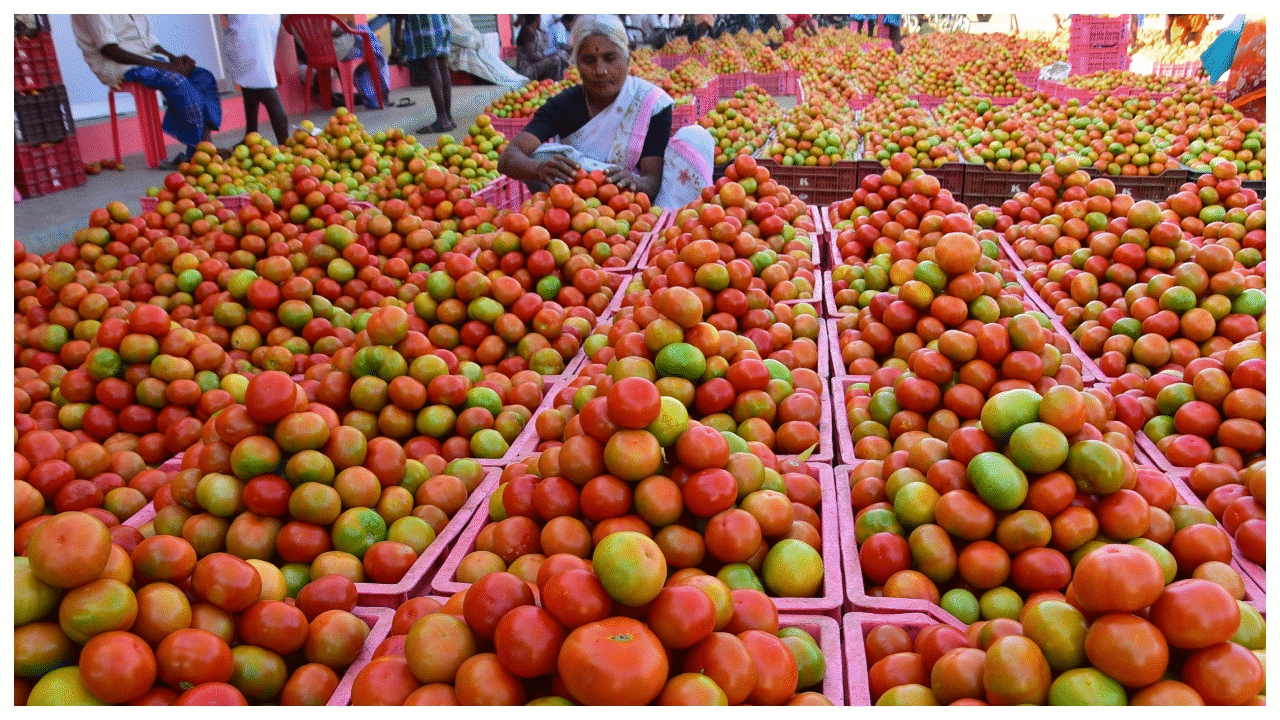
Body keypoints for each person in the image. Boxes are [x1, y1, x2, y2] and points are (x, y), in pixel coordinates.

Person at [498, 14, 714, 212]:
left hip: (637, 203)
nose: (600, 70)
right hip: (579, 205)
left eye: (610, 58)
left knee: (695, 138)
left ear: (628, 59)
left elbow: (652, 181)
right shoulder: (565, 103)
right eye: (589, 60)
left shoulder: (651, 102)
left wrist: (634, 182)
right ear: (577, 65)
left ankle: (669, 222)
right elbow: (509, 157)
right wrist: (539, 169)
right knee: (539, 155)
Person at [72, 14, 222, 166]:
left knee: (203, 77)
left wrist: (174, 60)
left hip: (148, 60)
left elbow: (150, 43)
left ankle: (203, 148)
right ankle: (201, 150)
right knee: (177, 81)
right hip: (119, 66)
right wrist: (166, 67)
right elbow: (109, 50)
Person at [222, 15, 289, 146]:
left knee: (265, 88)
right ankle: (250, 135)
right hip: (257, 19)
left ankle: (285, 145)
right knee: (249, 82)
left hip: (252, 21)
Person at [394, 15, 455, 133]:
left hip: (424, 23)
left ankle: (442, 120)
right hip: (442, 21)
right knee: (443, 68)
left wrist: (397, 30)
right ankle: (448, 118)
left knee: (432, 69)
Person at [446, 14, 527, 89]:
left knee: (489, 60)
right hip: (456, 51)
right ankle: (509, 79)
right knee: (480, 58)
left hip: (470, 44)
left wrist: (477, 39)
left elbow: (468, 32)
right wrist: (477, 39)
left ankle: (511, 78)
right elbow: (463, 36)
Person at [515, 15, 567, 81]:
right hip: (527, 69)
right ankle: (555, 83)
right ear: (537, 19)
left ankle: (552, 83)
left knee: (561, 55)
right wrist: (547, 57)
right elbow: (532, 57)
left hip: (534, 64)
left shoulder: (535, 31)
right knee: (555, 60)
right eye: (539, 18)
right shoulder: (527, 32)